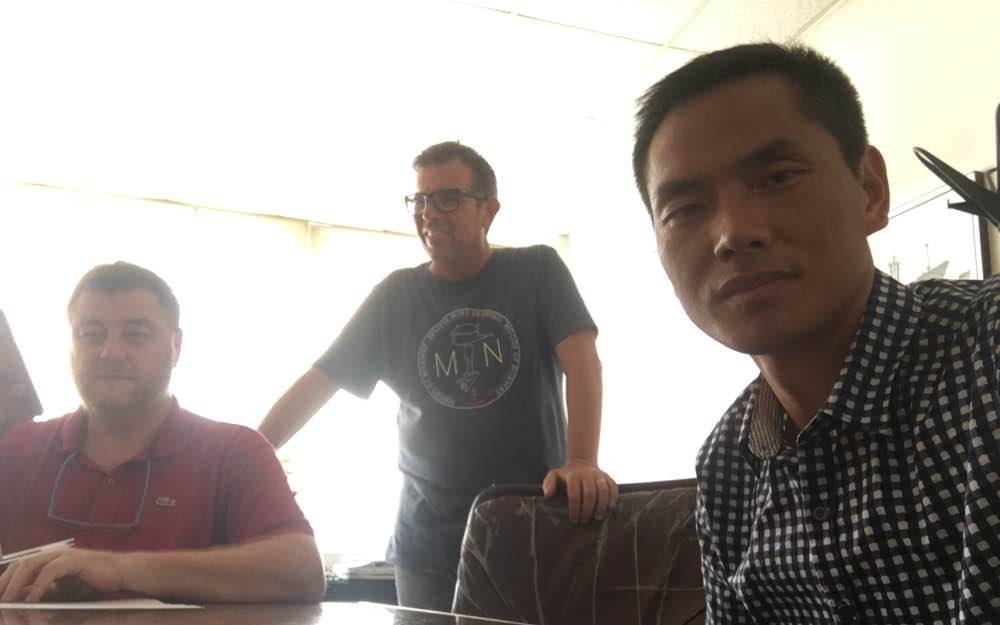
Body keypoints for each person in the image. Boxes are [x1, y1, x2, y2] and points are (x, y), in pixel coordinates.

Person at [632, 43, 999, 624]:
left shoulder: (986, 359)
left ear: (870, 190)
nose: (733, 234)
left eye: (777, 177)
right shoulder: (727, 465)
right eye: (685, 209)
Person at [259, 141, 618, 611]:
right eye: (420, 200)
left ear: (488, 210)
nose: (429, 212)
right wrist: (244, 461)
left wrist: (582, 461)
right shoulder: (395, 297)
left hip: (528, 534)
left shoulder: (536, 271)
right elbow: (317, 383)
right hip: (426, 548)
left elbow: (584, 363)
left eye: (448, 198)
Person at [0, 262, 325, 604]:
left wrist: (122, 570)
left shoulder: (234, 452)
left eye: (136, 334)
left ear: (176, 346)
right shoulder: (17, 449)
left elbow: (302, 571)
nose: (110, 352)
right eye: (91, 334)